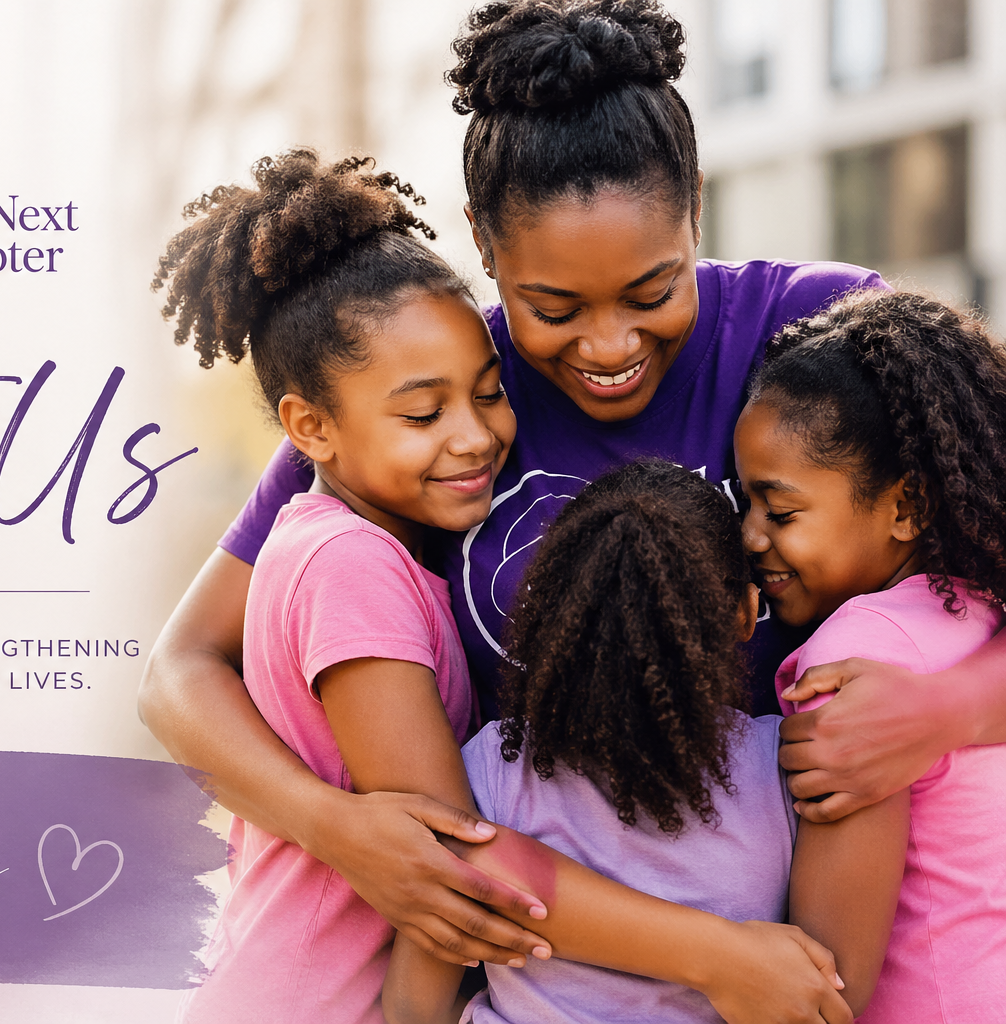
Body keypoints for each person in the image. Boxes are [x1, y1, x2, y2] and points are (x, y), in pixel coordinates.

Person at [140, 0, 1006, 976]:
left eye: (652, 292)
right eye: (551, 306)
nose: (609, 347)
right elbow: (179, 674)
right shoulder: (432, 391)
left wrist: (949, 711)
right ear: (483, 242)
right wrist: (343, 832)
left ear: (696, 205)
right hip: (543, 975)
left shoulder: (817, 331)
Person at [158, 151, 844, 1024]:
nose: (476, 435)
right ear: (309, 429)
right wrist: (726, 960)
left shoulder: (387, 487)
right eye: (425, 415)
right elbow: (455, 861)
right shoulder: (349, 556)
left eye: (488, 395)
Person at [385, 459, 834, 1024]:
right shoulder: (790, 767)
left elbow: (411, 1004)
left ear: (552, 612)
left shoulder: (490, 769)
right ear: (746, 613)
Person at [737, 291, 1006, 1021]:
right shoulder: (982, 610)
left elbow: (830, 981)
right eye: (746, 504)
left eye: (781, 511)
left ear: (906, 506)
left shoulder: (851, 662)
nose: (751, 536)